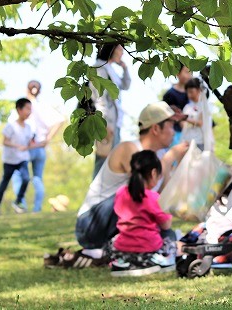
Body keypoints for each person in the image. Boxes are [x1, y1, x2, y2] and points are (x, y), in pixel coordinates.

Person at [56, 101, 188, 268]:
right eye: (171, 126)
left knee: (161, 226)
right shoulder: (129, 149)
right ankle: (106, 251)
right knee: (129, 196)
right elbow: (143, 193)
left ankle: (110, 253)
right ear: (156, 129)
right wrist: (169, 159)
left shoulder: (159, 157)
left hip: (116, 224)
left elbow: (160, 202)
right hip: (91, 225)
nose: (173, 132)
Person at [108, 150, 177, 277]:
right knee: (170, 234)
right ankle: (163, 259)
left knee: (115, 238)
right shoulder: (153, 197)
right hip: (149, 250)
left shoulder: (121, 193)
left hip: (123, 249)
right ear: (153, 173)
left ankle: (123, 263)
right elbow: (166, 225)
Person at [11, 80, 65, 212]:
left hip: (26, 147)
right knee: (37, 178)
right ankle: (37, 209)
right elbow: (60, 120)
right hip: (40, 147)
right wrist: (48, 138)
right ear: (39, 91)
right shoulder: (43, 106)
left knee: (18, 175)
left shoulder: (22, 107)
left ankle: (21, 205)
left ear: (26, 90)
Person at [0, 98, 45, 214]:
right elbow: (4, 142)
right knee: (5, 182)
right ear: (19, 110)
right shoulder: (10, 126)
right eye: (27, 109)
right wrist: (16, 146)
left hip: (22, 159)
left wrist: (40, 144)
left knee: (26, 179)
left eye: (30, 109)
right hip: (10, 160)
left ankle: (18, 200)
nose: (29, 112)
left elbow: (29, 144)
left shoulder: (28, 128)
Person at [91, 44, 132, 178]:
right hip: (107, 121)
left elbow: (125, 85)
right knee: (103, 161)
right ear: (111, 50)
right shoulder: (99, 67)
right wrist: (104, 123)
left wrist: (125, 68)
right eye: (120, 49)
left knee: (111, 161)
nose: (122, 53)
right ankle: (95, 197)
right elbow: (99, 98)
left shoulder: (111, 69)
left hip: (116, 121)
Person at [162, 63, 192, 145]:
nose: (189, 75)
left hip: (190, 132)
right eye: (186, 72)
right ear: (177, 73)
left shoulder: (192, 95)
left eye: (191, 72)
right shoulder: (170, 94)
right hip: (176, 133)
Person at [180, 78, 211, 150]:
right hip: (187, 141)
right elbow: (183, 124)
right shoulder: (187, 107)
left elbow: (201, 122)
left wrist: (185, 118)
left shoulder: (204, 106)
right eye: (187, 92)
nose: (189, 95)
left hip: (200, 141)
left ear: (199, 90)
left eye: (191, 92)